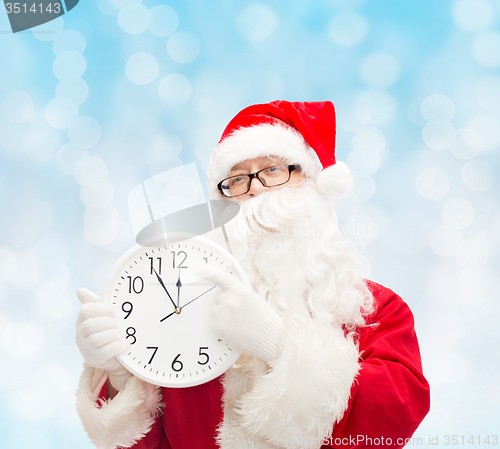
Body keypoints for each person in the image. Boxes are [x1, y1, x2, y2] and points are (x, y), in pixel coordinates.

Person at [75, 101, 430, 449]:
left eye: (273, 170)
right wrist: (120, 373)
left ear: (312, 182)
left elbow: (393, 419)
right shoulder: (182, 310)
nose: (256, 188)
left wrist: (274, 344)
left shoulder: (377, 311)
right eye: (238, 179)